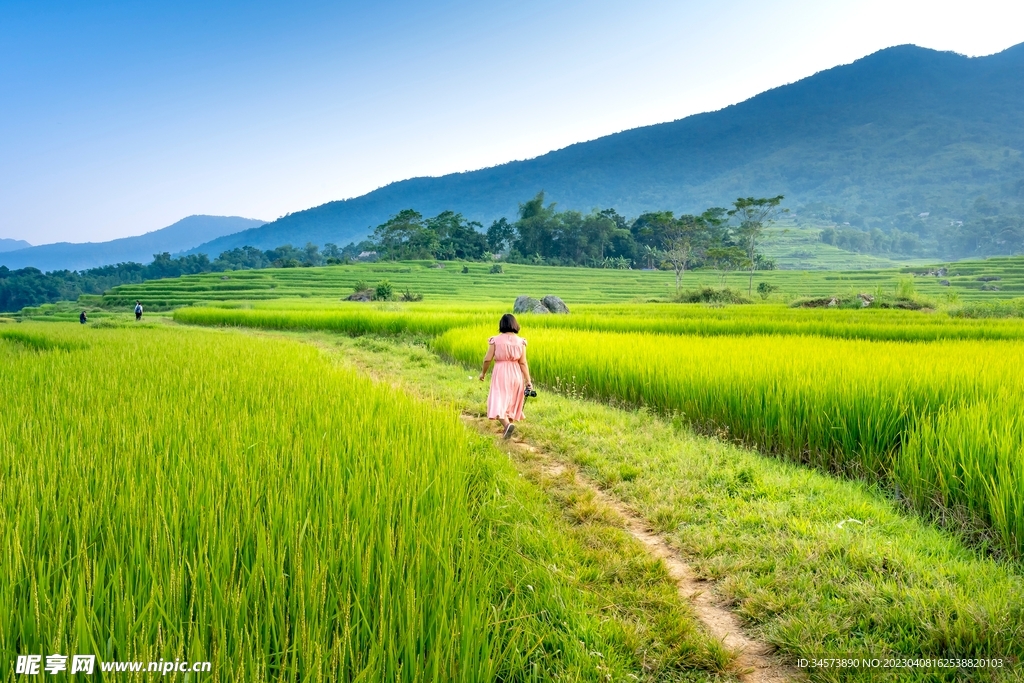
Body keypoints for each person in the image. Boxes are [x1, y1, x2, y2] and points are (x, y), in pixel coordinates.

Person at [479, 313, 533, 439]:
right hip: (516, 373)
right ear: (515, 325)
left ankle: (507, 425)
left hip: (501, 372)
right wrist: (528, 381)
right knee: (511, 400)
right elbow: (523, 362)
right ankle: (507, 428)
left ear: (501, 325)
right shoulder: (521, 342)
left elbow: (487, 359)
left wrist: (483, 373)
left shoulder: (495, 340)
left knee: (498, 399)